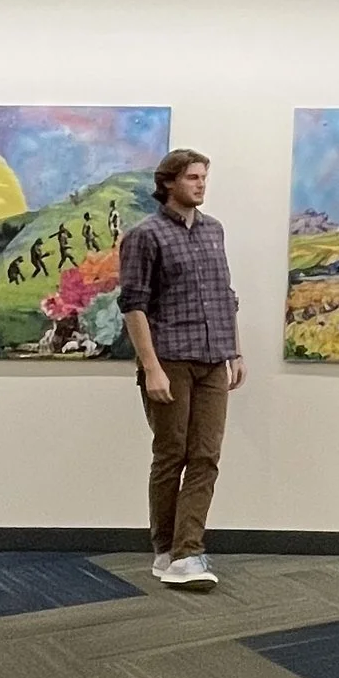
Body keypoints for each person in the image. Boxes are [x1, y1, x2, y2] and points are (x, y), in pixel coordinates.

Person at [118, 149, 243, 591]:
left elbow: (224, 295)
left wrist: (235, 352)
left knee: (206, 455)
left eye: (204, 177)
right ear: (168, 182)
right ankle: (167, 550)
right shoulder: (145, 236)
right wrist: (151, 367)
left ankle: (188, 550)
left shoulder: (214, 231)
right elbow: (133, 305)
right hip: (170, 358)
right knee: (172, 454)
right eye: (192, 177)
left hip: (213, 360)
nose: (201, 184)